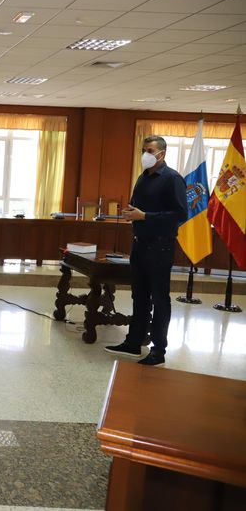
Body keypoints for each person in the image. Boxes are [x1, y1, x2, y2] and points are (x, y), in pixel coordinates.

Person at [105, 136, 187, 367]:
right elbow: (138, 206)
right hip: (139, 244)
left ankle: (158, 349)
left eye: (150, 150)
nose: (145, 155)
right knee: (139, 295)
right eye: (143, 150)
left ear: (162, 153)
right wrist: (132, 213)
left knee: (159, 298)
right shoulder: (143, 177)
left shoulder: (172, 179)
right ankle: (134, 341)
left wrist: (145, 216)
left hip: (160, 246)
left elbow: (181, 214)